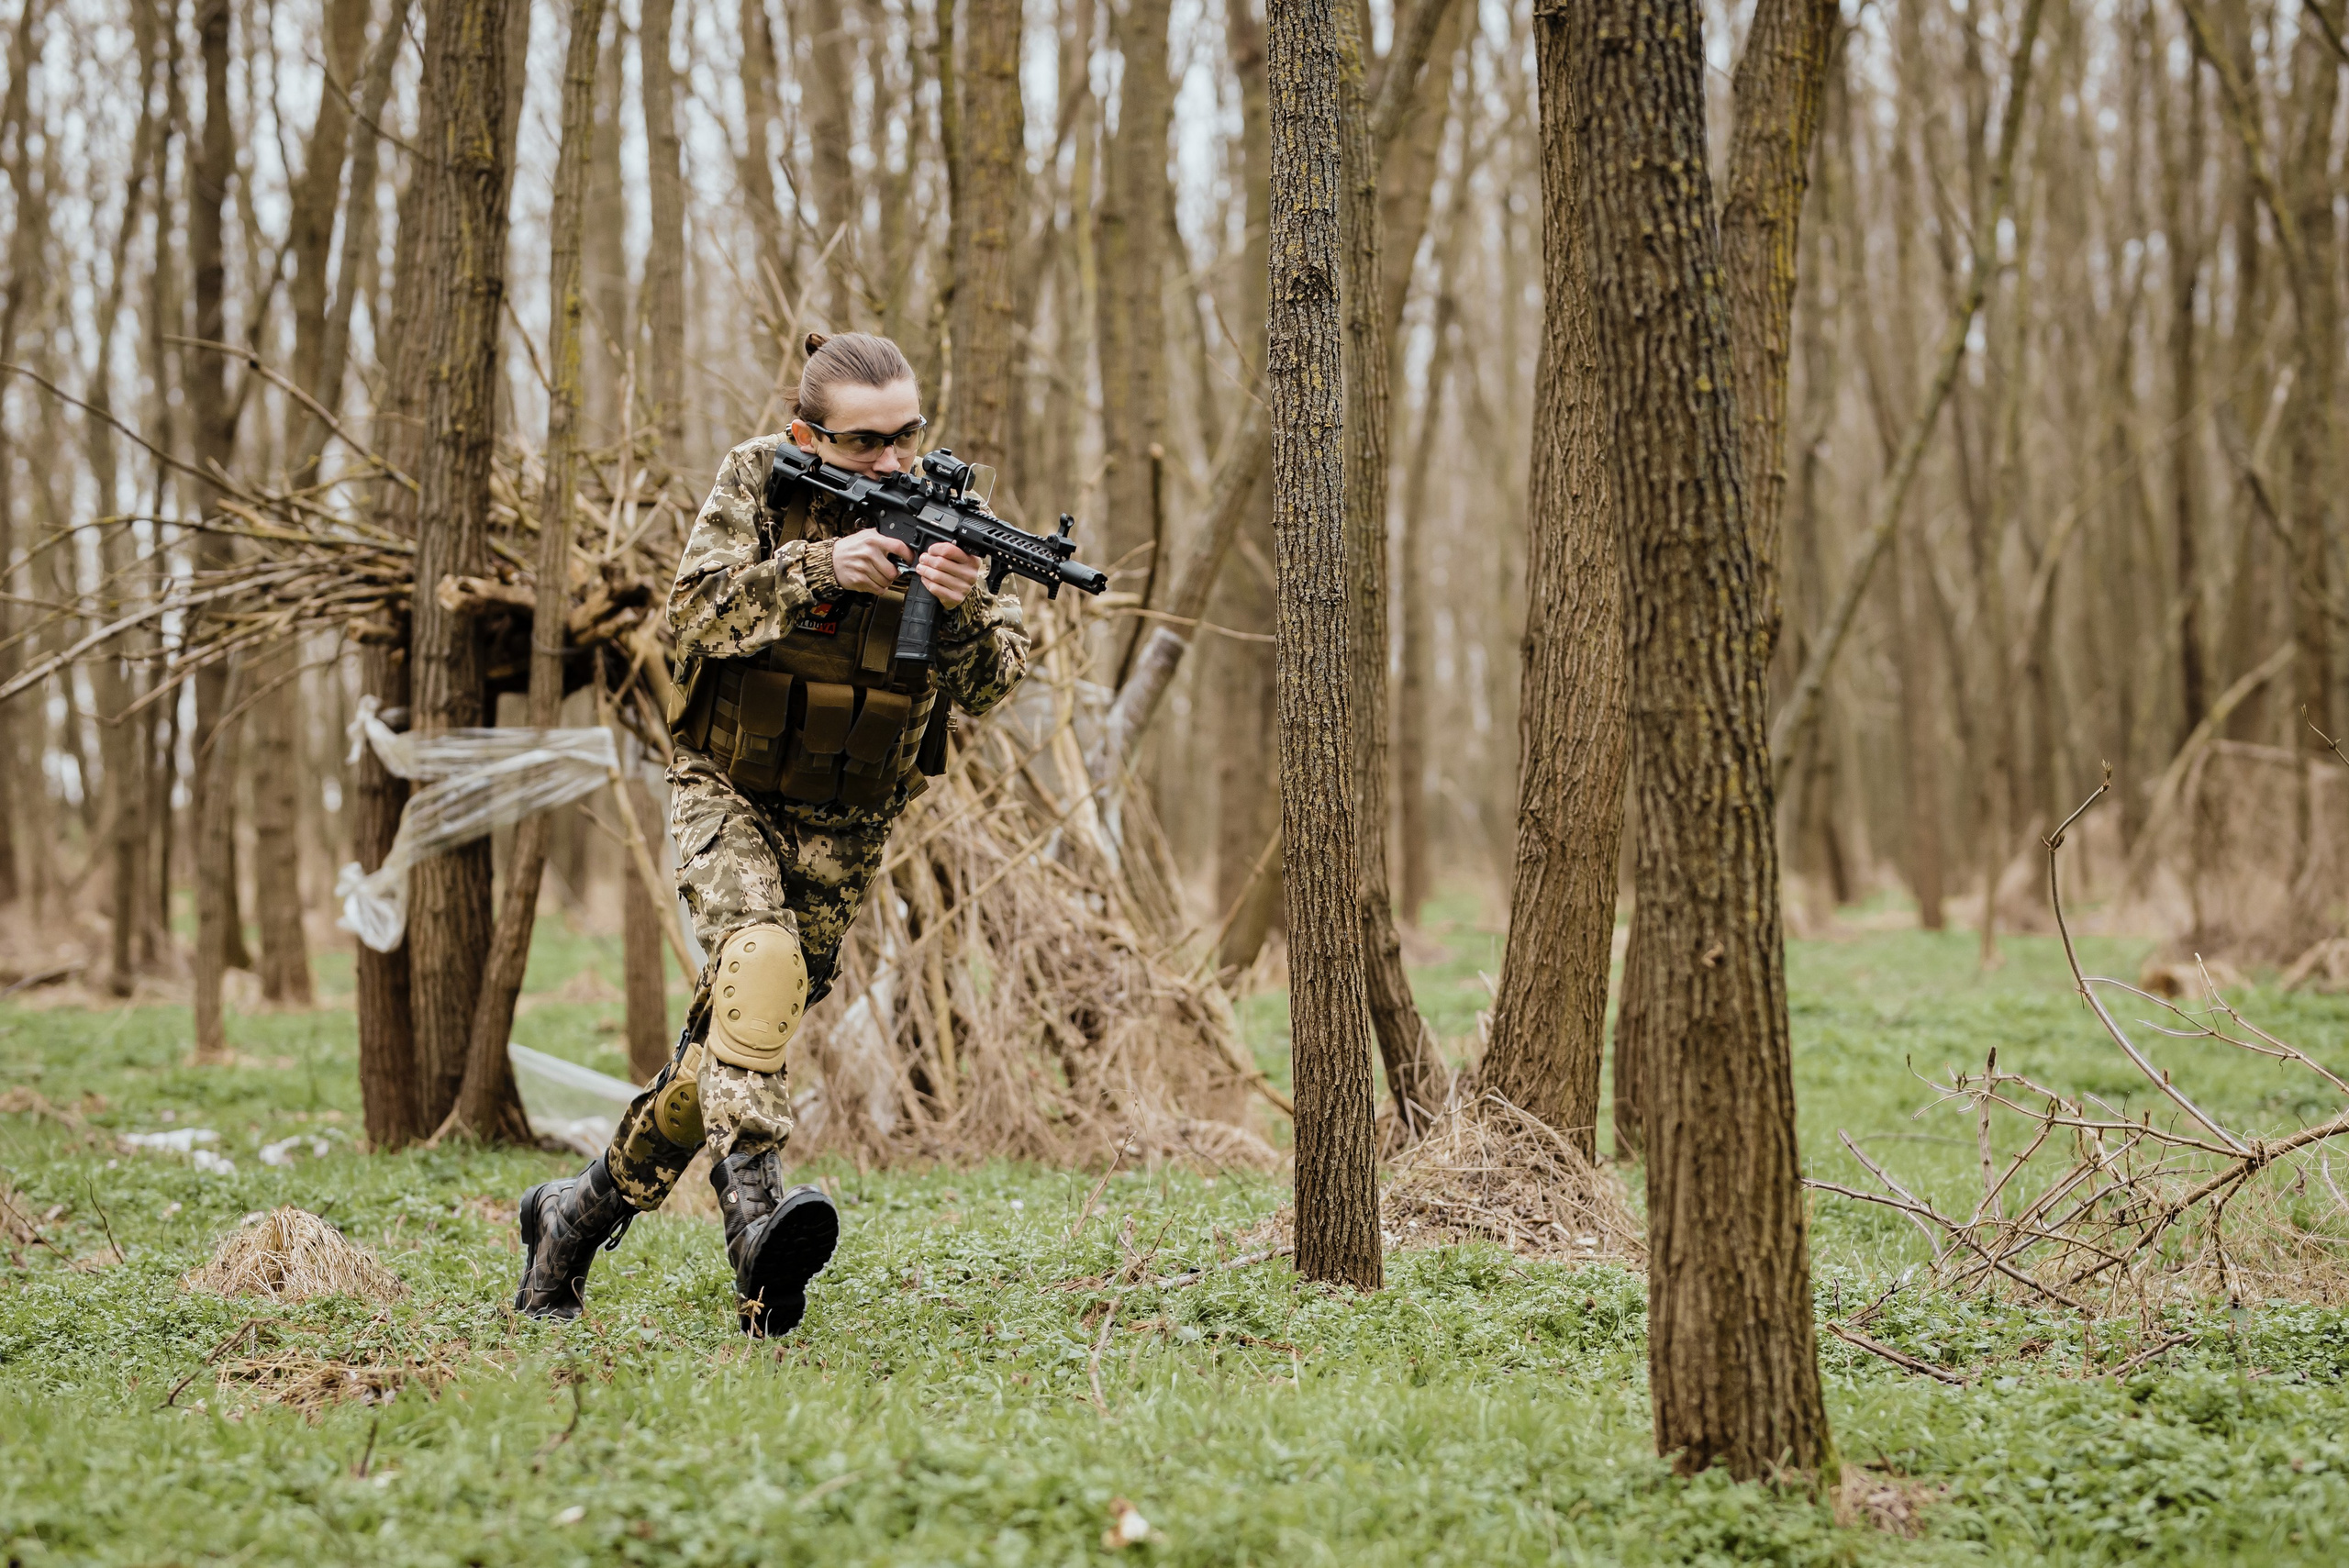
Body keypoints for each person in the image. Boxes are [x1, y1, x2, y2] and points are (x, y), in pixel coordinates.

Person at [515, 332, 1031, 1334]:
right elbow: (690, 618)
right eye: (866, 442)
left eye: (908, 433)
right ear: (810, 433)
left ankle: (569, 1220)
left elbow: (995, 684)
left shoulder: (950, 511)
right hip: (730, 787)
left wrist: (964, 613)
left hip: (849, 820)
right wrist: (816, 567)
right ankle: (753, 1223)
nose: (893, 459)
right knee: (756, 970)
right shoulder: (757, 479)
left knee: (728, 1051)